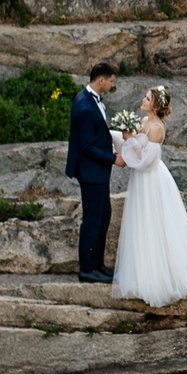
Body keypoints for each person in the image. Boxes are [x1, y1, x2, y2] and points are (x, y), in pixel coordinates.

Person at [109, 84, 187, 308]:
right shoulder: (145, 122)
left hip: (152, 179)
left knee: (156, 223)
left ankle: (161, 280)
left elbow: (147, 160)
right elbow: (136, 150)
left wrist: (129, 141)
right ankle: (143, 275)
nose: (143, 100)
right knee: (142, 224)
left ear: (155, 105)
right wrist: (121, 139)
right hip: (141, 180)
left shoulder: (156, 128)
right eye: (145, 97)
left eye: (147, 98)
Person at [65, 61, 119, 284]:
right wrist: (114, 158)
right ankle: (87, 268)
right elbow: (87, 146)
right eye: (112, 81)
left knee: (103, 216)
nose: (113, 85)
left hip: (97, 172)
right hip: (91, 172)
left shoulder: (90, 100)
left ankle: (97, 264)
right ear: (101, 80)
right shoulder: (85, 106)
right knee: (93, 219)